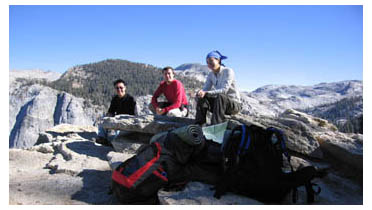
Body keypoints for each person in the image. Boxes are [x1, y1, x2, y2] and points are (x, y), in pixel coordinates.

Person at [195, 50, 242, 125]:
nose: (209, 64)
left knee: (221, 96)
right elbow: (205, 89)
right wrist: (200, 93)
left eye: (211, 61)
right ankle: (199, 124)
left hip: (234, 105)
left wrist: (206, 93)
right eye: (207, 62)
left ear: (218, 60)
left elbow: (224, 90)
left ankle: (215, 126)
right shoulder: (211, 75)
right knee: (202, 97)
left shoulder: (228, 71)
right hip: (220, 105)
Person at [96, 79, 136, 146]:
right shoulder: (115, 99)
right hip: (117, 121)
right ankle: (102, 138)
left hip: (127, 123)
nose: (119, 90)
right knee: (103, 119)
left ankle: (113, 143)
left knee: (118, 134)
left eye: (121, 88)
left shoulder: (131, 99)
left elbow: (134, 116)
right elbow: (110, 112)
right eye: (117, 88)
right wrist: (107, 118)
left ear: (125, 88)